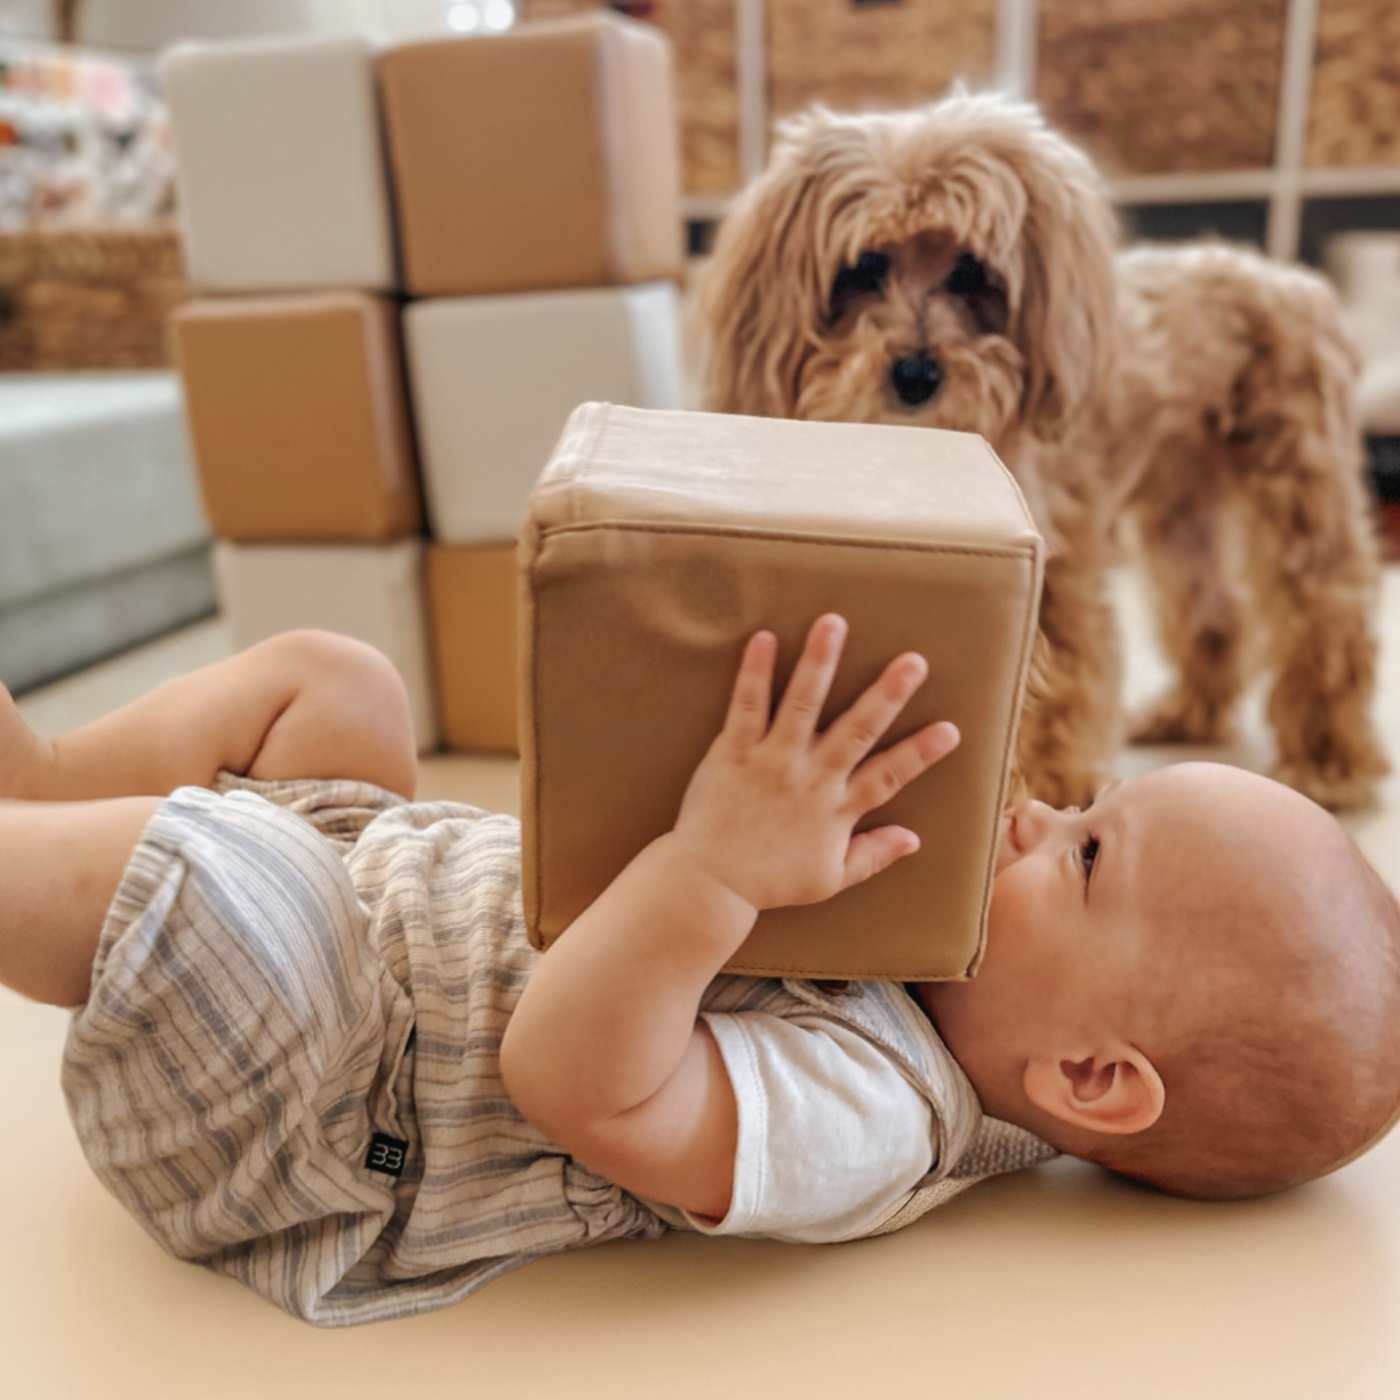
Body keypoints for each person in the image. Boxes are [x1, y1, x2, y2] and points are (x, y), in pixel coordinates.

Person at [2, 616, 1397, 1328]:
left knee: (205, 876)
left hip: (325, 1101)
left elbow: (572, 1080)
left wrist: (721, 872)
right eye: (1083, 801)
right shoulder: (930, 943)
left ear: (1090, 1077)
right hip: (385, 894)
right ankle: (45, 780)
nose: (1037, 817)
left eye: (1086, 858)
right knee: (341, 680)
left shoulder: (871, 1112)